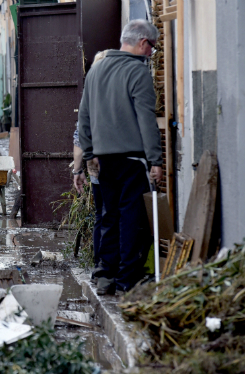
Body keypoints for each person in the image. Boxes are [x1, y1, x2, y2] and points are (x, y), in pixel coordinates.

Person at [78, 19, 163, 295]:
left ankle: (105, 276)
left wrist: (89, 155)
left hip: (102, 160)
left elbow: (84, 117)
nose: (152, 53)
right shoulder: (137, 72)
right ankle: (127, 279)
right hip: (133, 160)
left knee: (108, 215)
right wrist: (155, 160)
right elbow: (146, 120)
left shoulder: (96, 69)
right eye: (152, 47)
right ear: (142, 43)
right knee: (130, 218)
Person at [73, 50, 109, 282]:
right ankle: (110, 268)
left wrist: (78, 170)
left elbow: (79, 137)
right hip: (114, 166)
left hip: (96, 168)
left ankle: (100, 266)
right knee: (110, 216)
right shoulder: (118, 92)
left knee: (101, 216)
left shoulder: (89, 96)